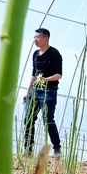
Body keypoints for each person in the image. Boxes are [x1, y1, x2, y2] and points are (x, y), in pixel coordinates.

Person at [23, 28, 62, 158]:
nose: (35, 40)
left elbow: (58, 75)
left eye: (38, 37)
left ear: (46, 38)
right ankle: (27, 149)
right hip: (35, 90)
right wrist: (27, 91)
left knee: (48, 120)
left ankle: (57, 149)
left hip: (48, 90)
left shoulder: (54, 53)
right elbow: (33, 74)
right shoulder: (35, 54)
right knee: (28, 119)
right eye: (34, 37)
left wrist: (47, 79)